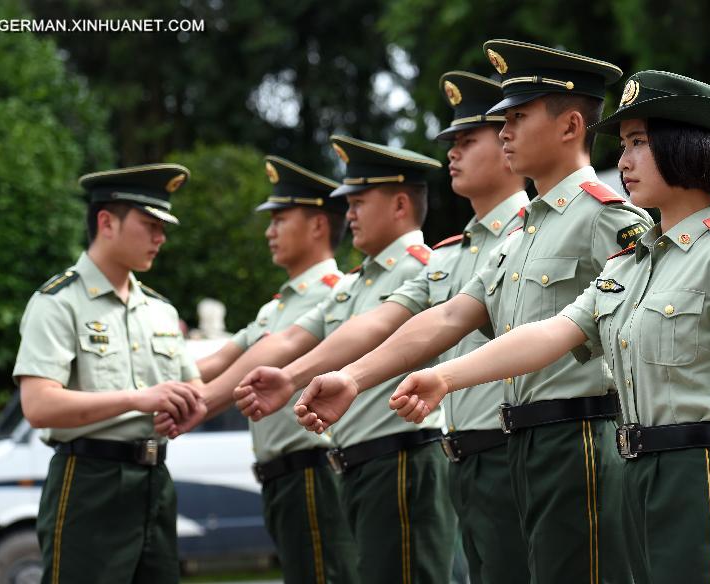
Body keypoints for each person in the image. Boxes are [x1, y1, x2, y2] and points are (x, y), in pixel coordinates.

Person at [288, 40, 710, 582]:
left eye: (517, 116)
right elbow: (447, 317)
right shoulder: (519, 233)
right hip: (524, 443)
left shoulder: (613, 219)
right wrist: (352, 377)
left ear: (569, 125)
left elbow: (683, 336)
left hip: (582, 438)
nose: (504, 130)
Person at [389, 70, 710, 583]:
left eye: (639, 143)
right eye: (623, 144)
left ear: (685, 148)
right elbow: (549, 335)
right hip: (637, 476)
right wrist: (446, 377)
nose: (623, 161)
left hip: (703, 474)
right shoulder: (628, 266)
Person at [234, 71, 531, 583]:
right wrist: (301, 375)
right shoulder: (452, 254)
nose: (453, 154)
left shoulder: (539, 231)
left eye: (467, 140)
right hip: (463, 455)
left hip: (513, 449)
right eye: (452, 143)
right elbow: (378, 324)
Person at [231, 136, 458, 583]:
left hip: (402, 462)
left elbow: (373, 330)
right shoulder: (354, 283)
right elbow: (293, 339)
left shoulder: (422, 266)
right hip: (362, 465)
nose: (348, 213)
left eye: (358, 201)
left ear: (399, 206)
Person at [12, 164, 205, 584]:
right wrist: (137, 399)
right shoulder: (58, 302)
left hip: (156, 481)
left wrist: (185, 405)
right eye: (150, 224)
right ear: (106, 222)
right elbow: (39, 405)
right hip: (89, 481)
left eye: (163, 226)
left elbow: (193, 384)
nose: (161, 238)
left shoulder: (161, 309)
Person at [187, 156, 359, 584]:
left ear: (319, 225)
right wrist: (145, 385)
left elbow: (267, 356)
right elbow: (214, 363)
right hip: (281, 478)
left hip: (313, 471)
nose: (269, 232)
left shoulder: (338, 294)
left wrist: (194, 402)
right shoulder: (275, 307)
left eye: (280, 219)